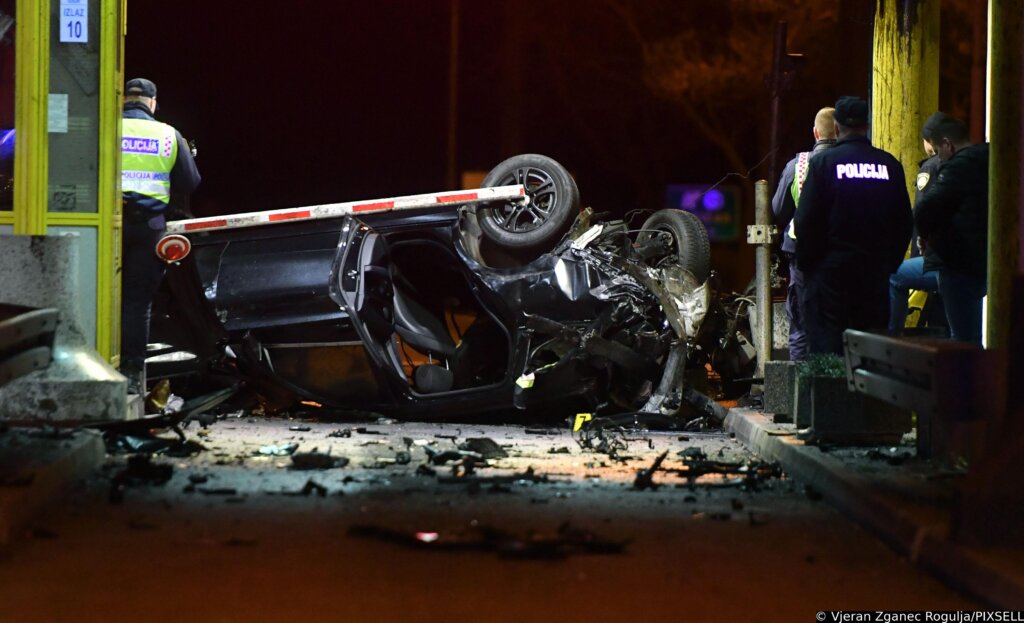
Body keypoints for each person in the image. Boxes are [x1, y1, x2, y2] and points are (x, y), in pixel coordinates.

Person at [793, 96, 912, 356]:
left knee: (828, 350)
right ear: (867, 125)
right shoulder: (889, 165)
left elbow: (806, 220)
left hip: (830, 276)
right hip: (874, 275)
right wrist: (887, 264)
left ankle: (834, 397)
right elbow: (904, 221)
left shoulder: (824, 164)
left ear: (836, 128)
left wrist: (810, 265)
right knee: (870, 350)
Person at [120, 78, 200, 392]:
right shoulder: (169, 134)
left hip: (105, 224)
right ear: (152, 102)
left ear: (125, 99)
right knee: (136, 304)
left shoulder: (104, 128)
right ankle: (130, 376)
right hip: (148, 228)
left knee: (96, 298)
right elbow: (190, 182)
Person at [914, 116, 989, 344]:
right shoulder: (993, 155)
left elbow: (926, 208)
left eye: (938, 151)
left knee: (963, 338)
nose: (938, 158)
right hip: (990, 258)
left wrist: (926, 237)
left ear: (948, 144)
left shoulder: (958, 166)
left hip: (960, 260)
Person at [771, 106, 837, 361]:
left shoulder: (798, 165)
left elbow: (778, 209)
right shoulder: (851, 163)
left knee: (800, 323)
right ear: (840, 131)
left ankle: (800, 391)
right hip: (843, 255)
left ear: (815, 133)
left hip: (803, 256)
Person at [887, 112, 947, 334]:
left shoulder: (930, 167)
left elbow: (922, 214)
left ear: (928, 140)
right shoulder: (965, 164)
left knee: (896, 277)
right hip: (968, 262)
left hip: (939, 259)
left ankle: (893, 338)